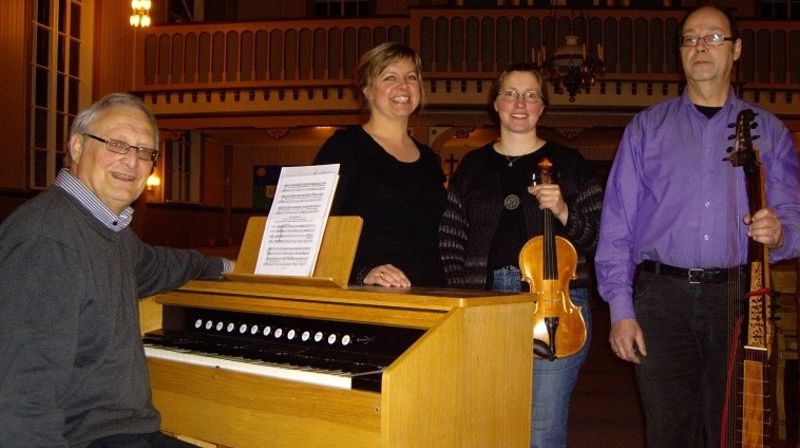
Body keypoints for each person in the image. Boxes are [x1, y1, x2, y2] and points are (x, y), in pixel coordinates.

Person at [595, 5, 800, 447]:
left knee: (735, 431)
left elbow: (794, 218)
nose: (699, 47)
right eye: (690, 39)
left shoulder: (770, 131)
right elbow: (616, 227)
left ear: (736, 49)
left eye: (712, 38)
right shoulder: (645, 129)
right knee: (669, 433)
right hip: (661, 299)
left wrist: (779, 233)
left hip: (738, 297)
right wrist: (621, 311)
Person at [0, 93, 233, 448]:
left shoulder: (110, 231)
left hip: (126, 431)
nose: (133, 161)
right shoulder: (46, 240)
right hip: (88, 438)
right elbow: (21, 397)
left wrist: (227, 266)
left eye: (145, 151)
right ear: (77, 147)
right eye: (117, 144)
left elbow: (158, 265)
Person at [439, 63, 603, 448]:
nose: (520, 103)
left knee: (542, 429)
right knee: (490, 424)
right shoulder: (474, 166)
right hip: (486, 303)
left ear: (542, 108)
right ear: (495, 103)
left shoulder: (569, 163)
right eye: (511, 93)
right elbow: (450, 237)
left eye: (531, 95)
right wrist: (459, 301)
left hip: (554, 304)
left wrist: (563, 211)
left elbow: (599, 236)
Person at [314, 42, 446, 287]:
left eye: (411, 77)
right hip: (371, 295)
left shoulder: (429, 159)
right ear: (366, 89)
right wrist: (362, 273)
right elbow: (316, 232)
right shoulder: (344, 148)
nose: (403, 86)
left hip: (430, 292)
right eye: (389, 77)